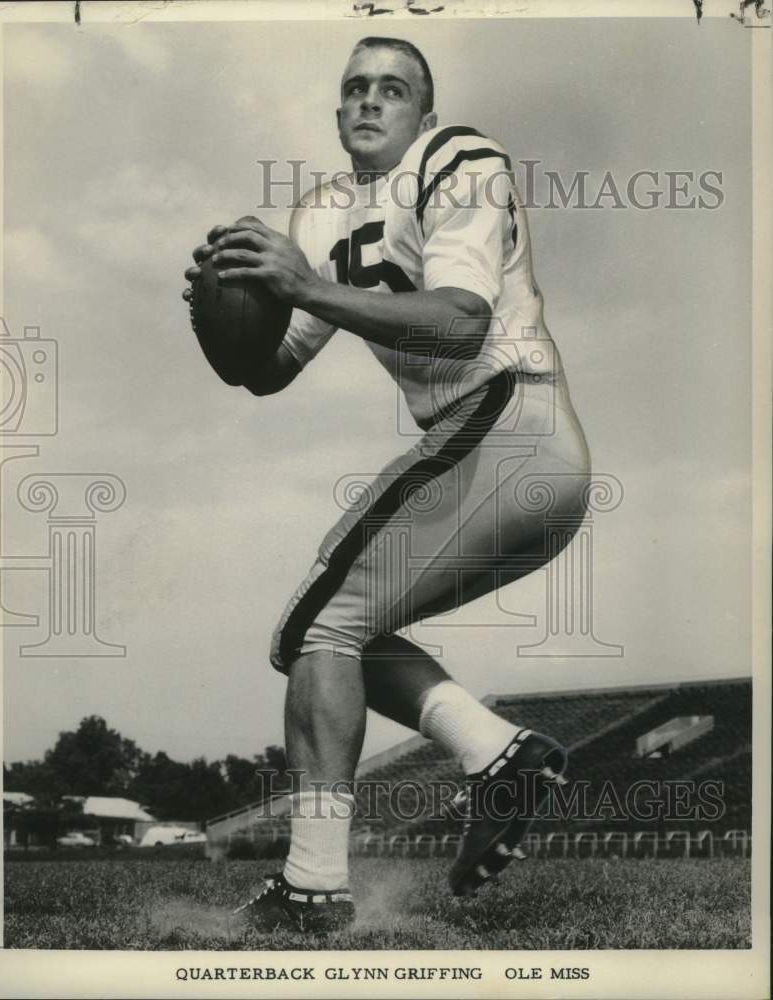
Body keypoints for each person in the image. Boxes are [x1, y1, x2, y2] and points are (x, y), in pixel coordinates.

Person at [183, 36, 590, 934]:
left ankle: (314, 882)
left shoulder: (458, 158)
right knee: (327, 632)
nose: (371, 101)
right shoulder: (324, 211)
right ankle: (496, 756)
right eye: (355, 88)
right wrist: (224, 317)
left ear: (424, 113)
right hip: (482, 450)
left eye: (393, 89)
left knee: (321, 625)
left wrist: (299, 284)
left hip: (509, 426)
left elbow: (457, 322)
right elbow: (268, 371)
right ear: (337, 112)